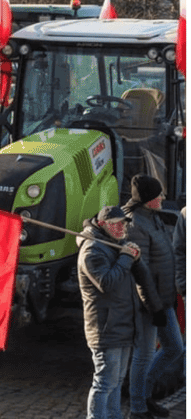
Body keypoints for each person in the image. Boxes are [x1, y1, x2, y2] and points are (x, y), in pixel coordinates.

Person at [77, 205, 152, 419]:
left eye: (123, 223)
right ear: (102, 225)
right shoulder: (92, 250)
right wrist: (126, 258)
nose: (121, 228)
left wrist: (132, 257)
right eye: (115, 224)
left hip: (123, 325)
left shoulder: (115, 245)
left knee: (116, 382)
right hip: (105, 328)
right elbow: (107, 283)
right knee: (104, 383)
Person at [124, 175, 182, 419]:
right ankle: (138, 407)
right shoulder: (135, 224)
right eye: (158, 194)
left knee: (175, 347)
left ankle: (144, 394)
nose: (163, 198)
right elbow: (141, 270)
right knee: (144, 354)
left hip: (164, 299)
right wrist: (154, 307)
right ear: (148, 200)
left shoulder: (153, 218)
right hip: (148, 304)